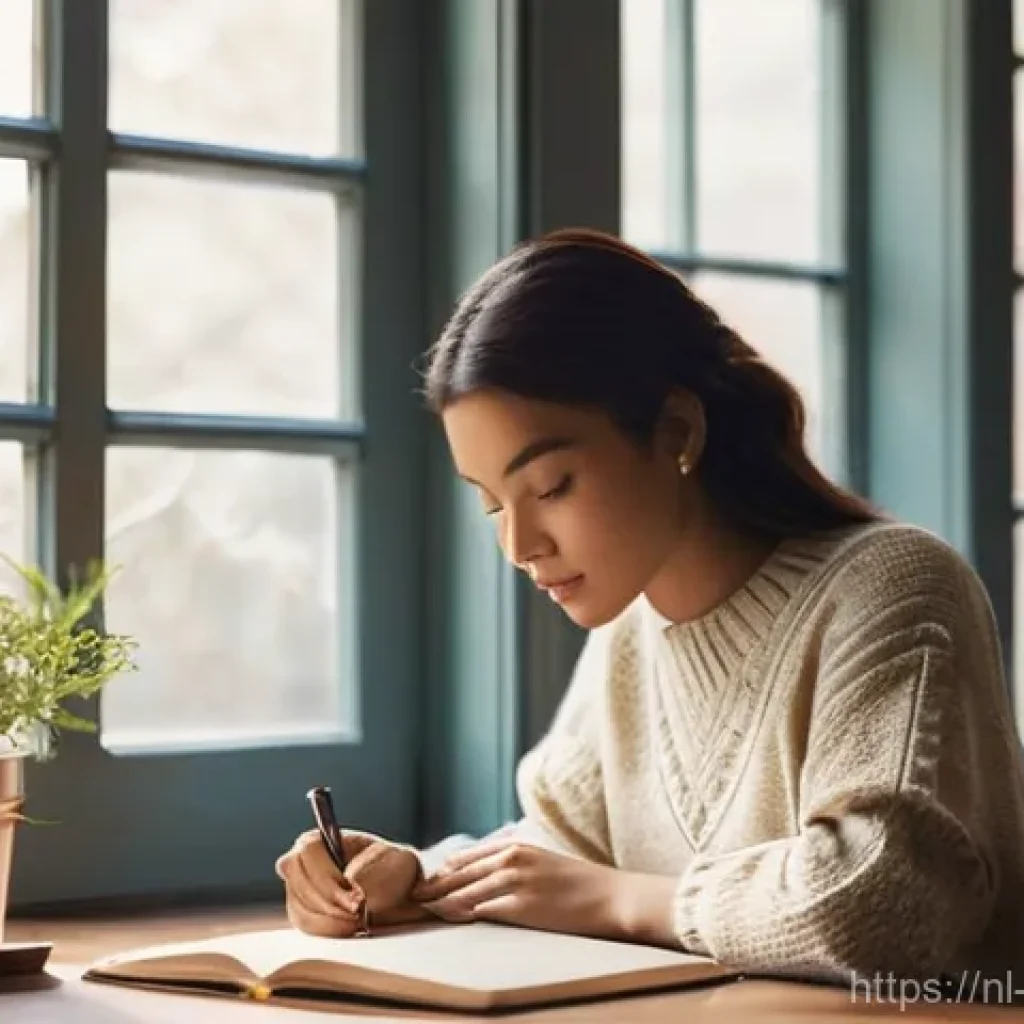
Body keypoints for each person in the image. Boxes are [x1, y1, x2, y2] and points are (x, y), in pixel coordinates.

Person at [275, 228, 1024, 987]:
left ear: (676, 431)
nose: (520, 545)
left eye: (551, 487)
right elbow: (562, 852)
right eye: (492, 503)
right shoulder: (634, 625)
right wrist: (411, 879)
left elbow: (876, 897)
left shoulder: (892, 586)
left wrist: (625, 902)